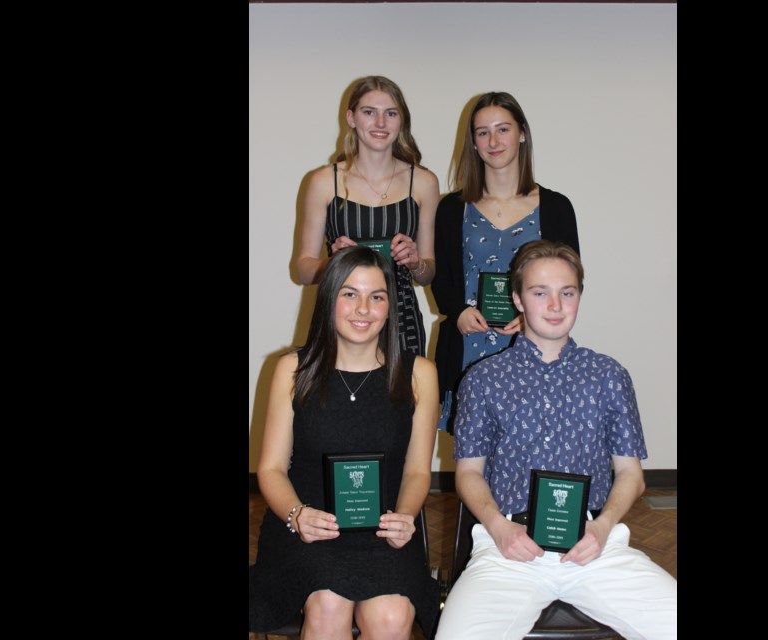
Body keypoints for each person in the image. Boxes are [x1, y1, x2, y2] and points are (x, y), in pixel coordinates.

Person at [435, 240, 677, 640]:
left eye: (567, 293)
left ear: (579, 296)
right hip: (508, 549)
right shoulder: (483, 380)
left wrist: (602, 529)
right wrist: (498, 528)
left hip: (594, 546)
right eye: (539, 292)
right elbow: (469, 473)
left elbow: (632, 475)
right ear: (516, 299)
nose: (555, 305)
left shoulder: (608, 376)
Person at [250, 246, 441, 639]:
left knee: (391, 617)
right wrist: (296, 515)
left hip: (385, 530)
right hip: (307, 528)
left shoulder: (419, 374)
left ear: (390, 306)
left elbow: (419, 470)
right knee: (328, 606)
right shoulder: (293, 370)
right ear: (329, 299)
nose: (363, 309)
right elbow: (269, 468)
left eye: (377, 297)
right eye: (349, 294)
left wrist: (404, 516)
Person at [431, 91, 579, 434]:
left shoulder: (556, 207)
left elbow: (571, 280)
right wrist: (458, 311)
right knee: (473, 460)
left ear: (522, 133)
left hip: (534, 346)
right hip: (469, 345)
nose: (493, 141)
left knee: (535, 448)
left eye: (503, 129)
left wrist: (532, 318)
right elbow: (442, 276)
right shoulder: (453, 209)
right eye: (483, 132)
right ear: (473, 142)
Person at [296, 75, 439, 356]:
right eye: (369, 112)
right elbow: (302, 269)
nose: (381, 124)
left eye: (391, 114)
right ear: (351, 118)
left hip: (401, 323)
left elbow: (427, 274)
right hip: (340, 320)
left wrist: (414, 262)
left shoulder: (423, 182)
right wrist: (331, 264)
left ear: (402, 121)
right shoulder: (323, 181)